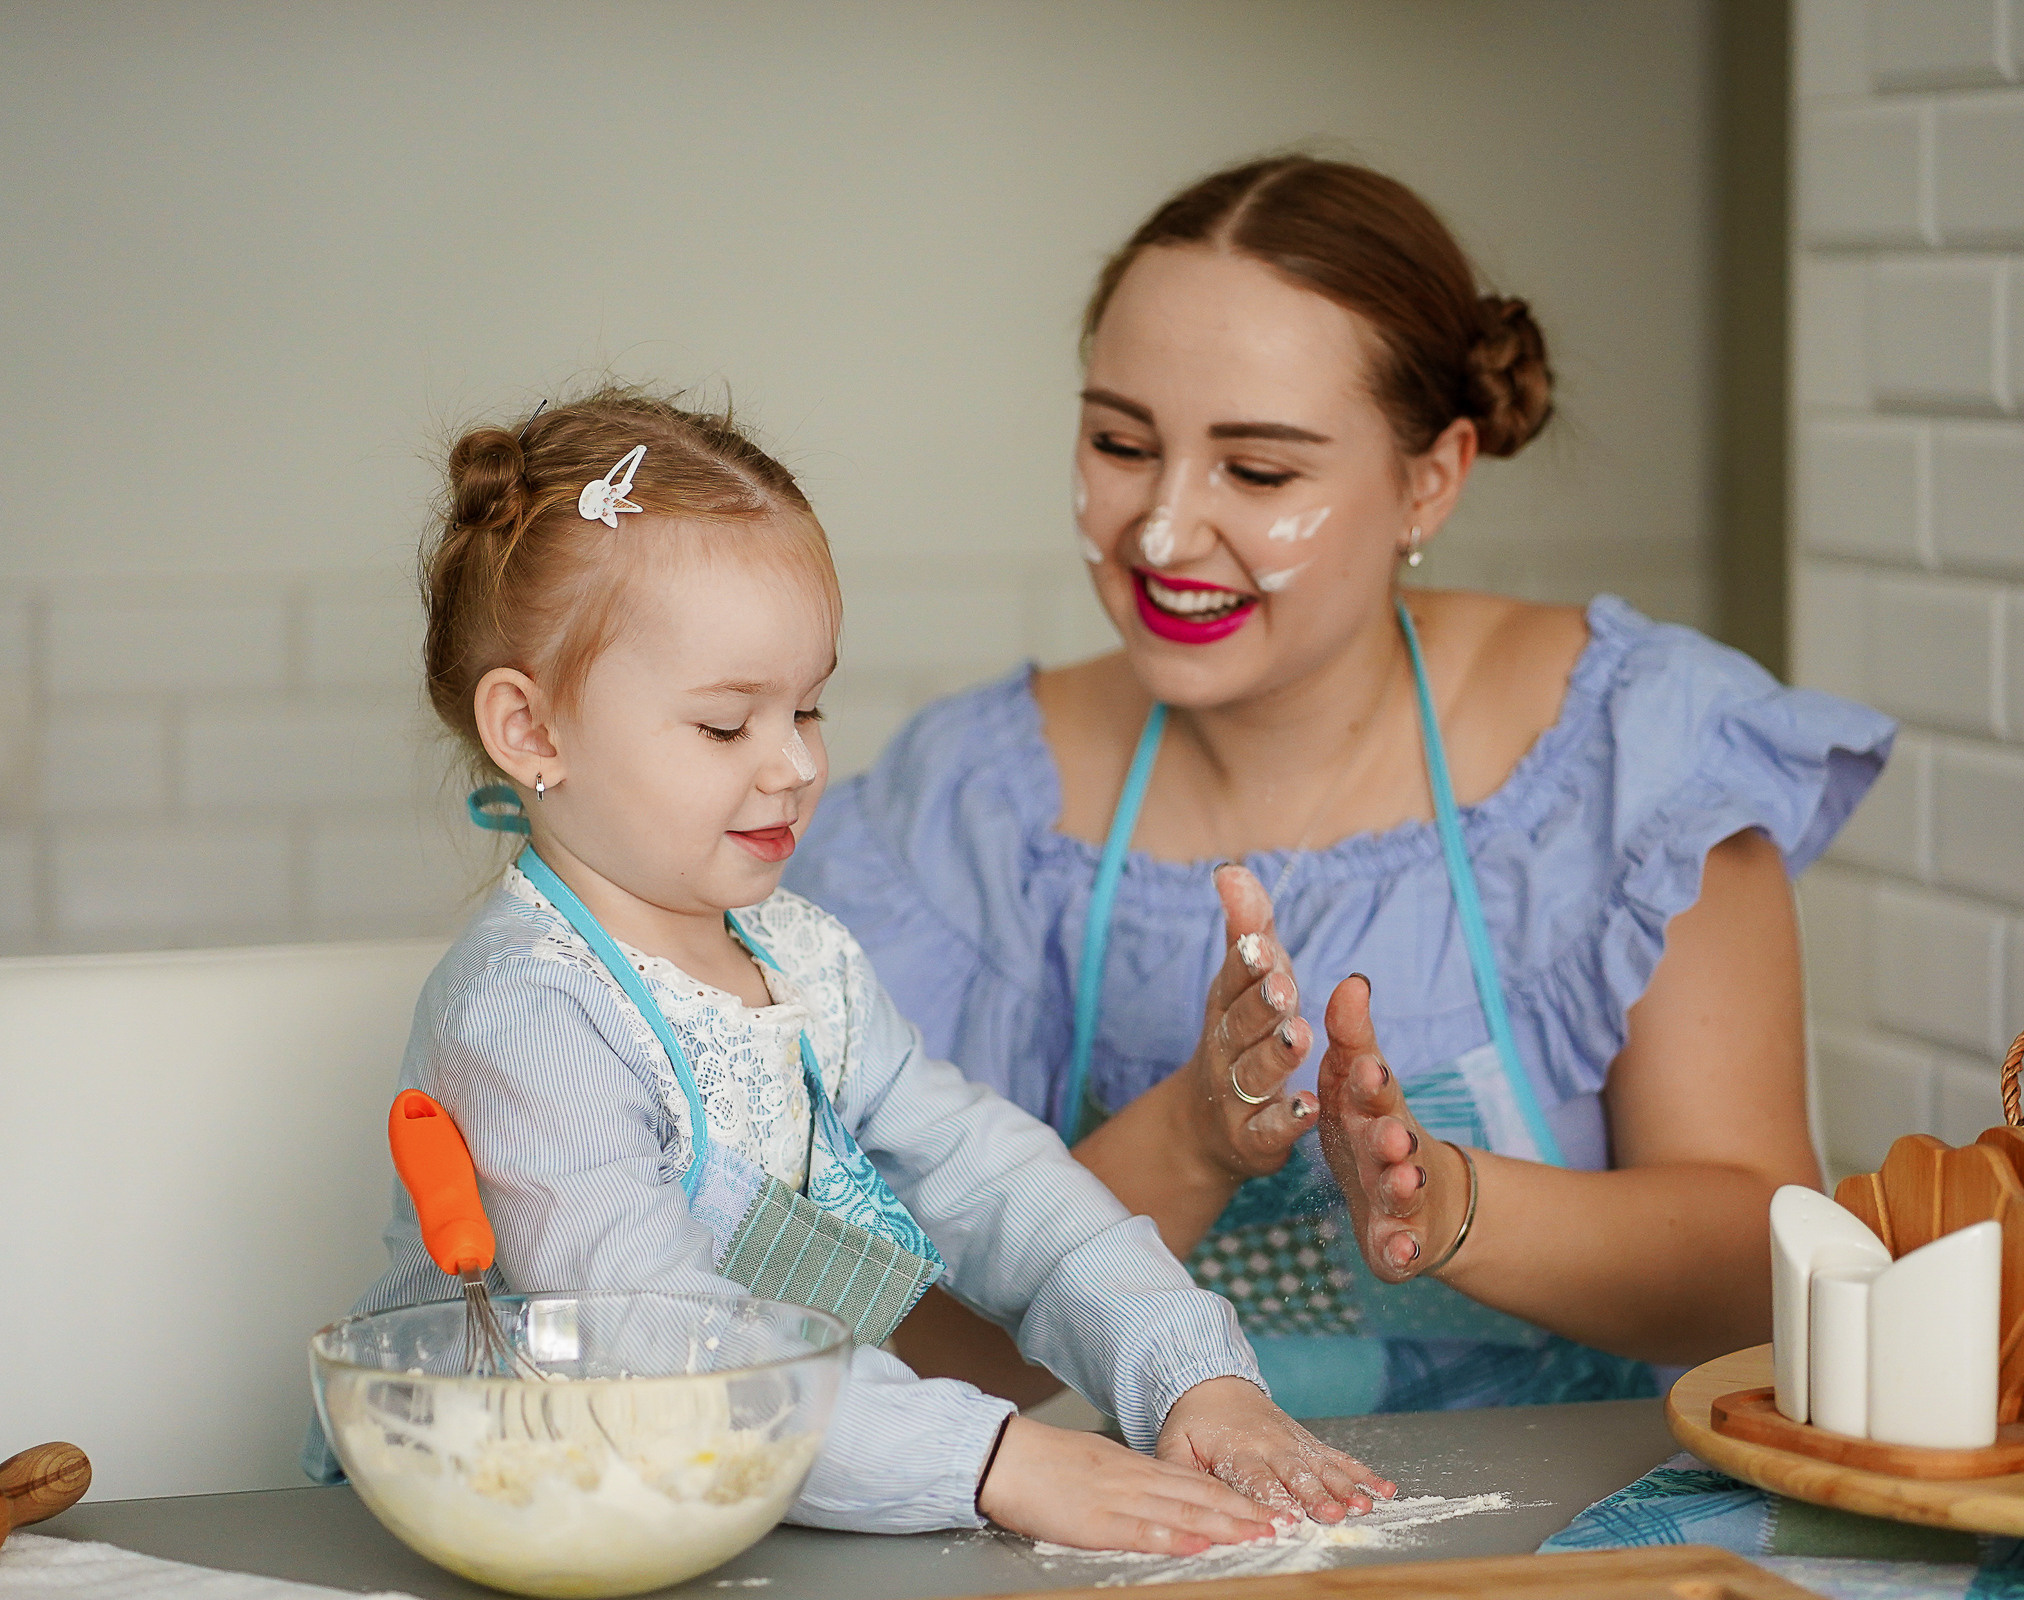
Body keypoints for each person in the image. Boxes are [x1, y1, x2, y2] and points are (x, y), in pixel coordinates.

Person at [787, 157, 1897, 1419]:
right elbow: (873, 1335)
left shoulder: (1634, 750)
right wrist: (1191, 1142)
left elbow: (1765, 1273)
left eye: (1256, 473)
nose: (1160, 532)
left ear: (1431, 478)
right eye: (1120, 443)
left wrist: (1447, 1198)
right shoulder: (964, 807)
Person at [307, 387, 1391, 1545]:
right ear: (530, 732)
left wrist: (1187, 1371)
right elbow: (651, 1340)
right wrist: (990, 1460)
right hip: (519, 1527)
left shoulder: (804, 959)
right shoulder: (526, 1013)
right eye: (727, 725)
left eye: (810, 707)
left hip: (743, 1498)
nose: (792, 766)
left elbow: (996, 1184)